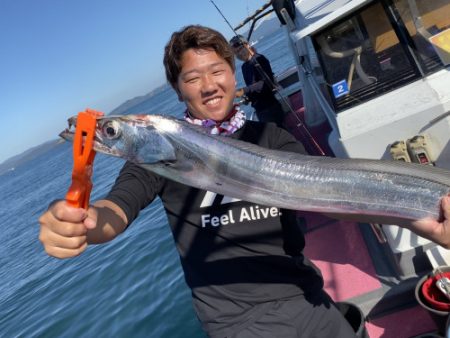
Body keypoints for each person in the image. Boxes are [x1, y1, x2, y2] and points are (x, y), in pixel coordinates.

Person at [39, 25, 450, 338]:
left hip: (308, 300)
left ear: (233, 76)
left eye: (217, 70)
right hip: (238, 321)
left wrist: (410, 219)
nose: (209, 85)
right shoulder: (156, 156)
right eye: (192, 78)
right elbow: (117, 210)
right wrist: (86, 223)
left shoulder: (271, 138)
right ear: (179, 90)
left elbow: (325, 197)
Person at [230, 35, 285, 128]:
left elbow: (266, 83)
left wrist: (244, 90)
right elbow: (253, 86)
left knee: (280, 135)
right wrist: (248, 97)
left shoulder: (259, 59)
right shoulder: (244, 67)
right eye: (236, 53)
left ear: (247, 45)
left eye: (239, 49)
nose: (238, 54)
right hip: (259, 109)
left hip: (271, 107)